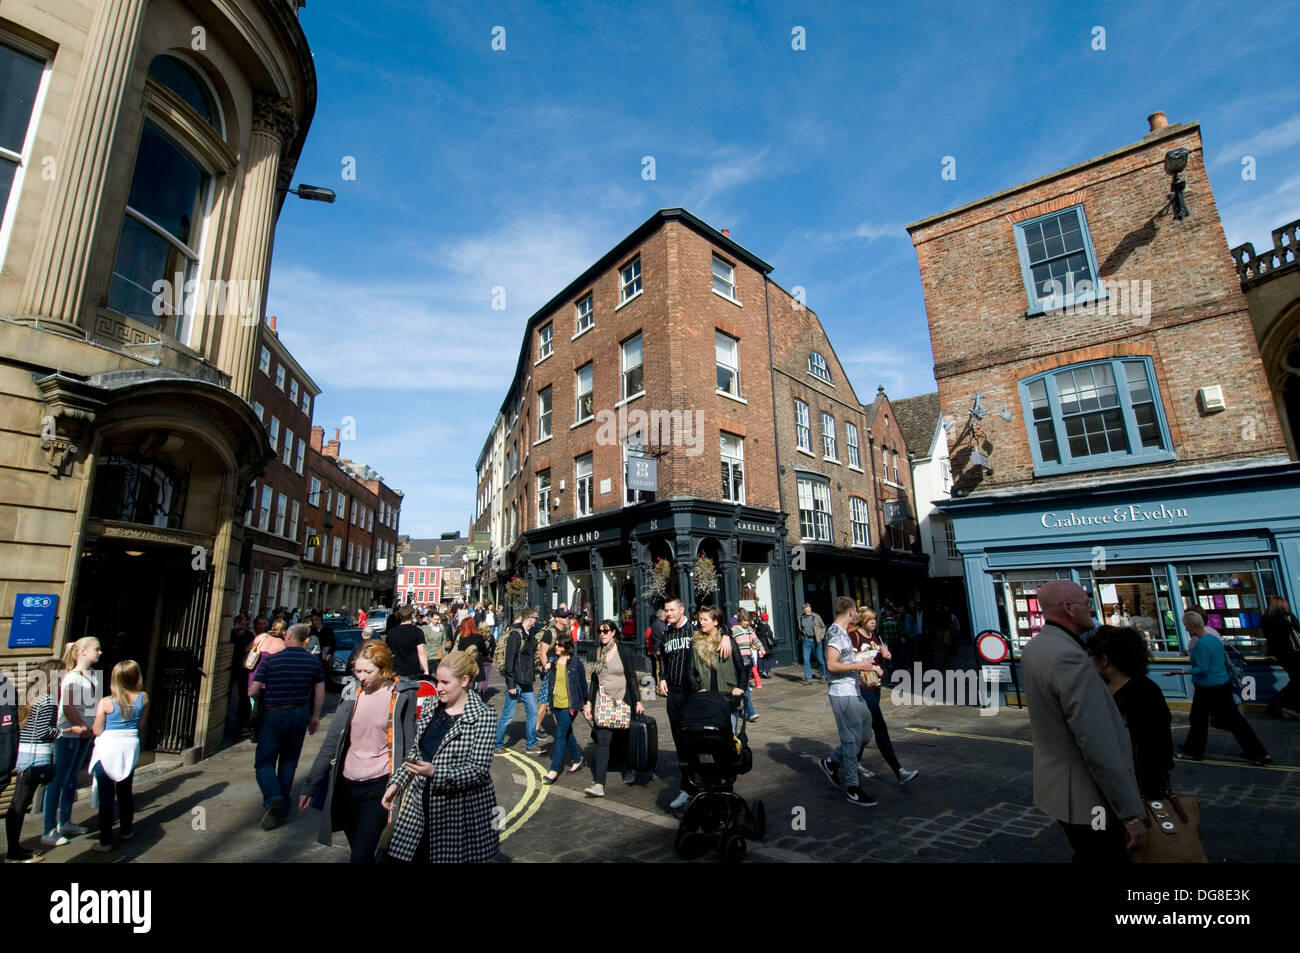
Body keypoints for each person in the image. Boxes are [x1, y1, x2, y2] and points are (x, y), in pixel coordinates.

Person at [1021, 580, 1145, 861]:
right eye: (1085, 602)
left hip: (1059, 792)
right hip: (1089, 799)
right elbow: (1096, 743)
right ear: (1068, 608)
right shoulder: (1069, 658)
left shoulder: (1036, 647)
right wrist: (1130, 813)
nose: (1091, 608)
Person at [297, 640, 419, 862]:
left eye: (367, 671)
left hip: (380, 787)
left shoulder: (402, 695)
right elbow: (332, 742)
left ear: (383, 668)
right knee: (359, 851)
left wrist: (403, 784)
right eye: (357, 670)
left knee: (360, 857)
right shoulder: (352, 693)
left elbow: (411, 744)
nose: (361, 676)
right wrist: (310, 785)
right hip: (347, 786)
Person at [381, 650, 499, 863]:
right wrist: (396, 784)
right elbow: (415, 752)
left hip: (457, 815)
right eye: (437, 681)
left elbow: (478, 771)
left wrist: (435, 772)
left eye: (445, 682)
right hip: (419, 809)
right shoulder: (430, 706)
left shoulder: (483, 716)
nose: (439, 688)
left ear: (464, 681)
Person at [656, 596, 730, 810]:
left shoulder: (694, 629)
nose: (668, 613)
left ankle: (704, 784)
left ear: (681, 610)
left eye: (671, 610)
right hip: (674, 693)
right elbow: (663, 658)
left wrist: (726, 635)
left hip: (693, 694)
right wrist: (661, 677)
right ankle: (686, 787)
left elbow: (715, 624)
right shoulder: (666, 633)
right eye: (666, 610)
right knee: (680, 742)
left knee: (697, 741)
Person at [250, 623, 325, 830]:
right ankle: (281, 808)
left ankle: (273, 797)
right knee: (289, 762)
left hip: (274, 712)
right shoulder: (313, 662)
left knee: (264, 762)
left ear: (290, 636)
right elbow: (319, 693)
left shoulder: (271, 661)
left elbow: (253, 691)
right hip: (300, 712)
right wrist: (315, 717)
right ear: (306, 640)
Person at [1087, 626, 1174, 799]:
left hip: (1140, 781)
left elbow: (1158, 745)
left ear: (1104, 660)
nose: (1089, 660)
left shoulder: (1145, 692)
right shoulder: (1098, 688)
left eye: (1092, 655)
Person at [1176, 626, 1271, 766]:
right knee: (1228, 720)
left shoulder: (1201, 642)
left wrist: (1182, 671)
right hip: (1221, 682)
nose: (1187, 630)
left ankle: (1194, 750)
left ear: (1194, 627)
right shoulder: (1214, 638)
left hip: (1207, 685)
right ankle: (1259, 752)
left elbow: (1203, 667)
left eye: (1188, 627)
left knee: (1199, 719)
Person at [847, 608, 919, 785]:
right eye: (870, 619)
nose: (873, 622)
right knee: (880, 727)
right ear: (862, 620)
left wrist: (886, 655)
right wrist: (871, 667)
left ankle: (851, 761)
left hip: (876, 687)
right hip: (862, 688)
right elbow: (849, 661)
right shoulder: (854, 637)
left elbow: (879, 656)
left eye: (874, 619)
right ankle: (899, 771)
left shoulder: (875, 637)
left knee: (865, 729)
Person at [818, 597, 878, 806]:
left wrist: (862, 661)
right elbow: (832, 665)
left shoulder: (843, 633)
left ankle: (832, 761)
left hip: (853, 691)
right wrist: (859, 667)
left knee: (865, 734)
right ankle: (853, 788)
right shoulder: (835, 633)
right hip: (842, 693)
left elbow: (844, 660)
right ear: (852, 612)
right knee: (851, 741)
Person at [42, 636, 101, 848]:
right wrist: (84, 728)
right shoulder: (72, 678)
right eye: (97, 649)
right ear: (83, 651)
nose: (100, 652)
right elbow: (67, 707)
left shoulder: (93, 676)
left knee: (70, 780)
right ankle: (49, 829)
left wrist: (92, 727)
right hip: (69, 735)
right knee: (58, 781)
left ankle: (65, 821)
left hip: (83, 735)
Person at [86, 660, 147, 852]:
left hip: (108, 748)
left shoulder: (106, 702)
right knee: (125, 792)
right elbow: (140, 724)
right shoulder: (144, 698)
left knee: (106, 797)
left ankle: (105, 841)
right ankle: (127, 830)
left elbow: (97, 730)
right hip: (129, 747)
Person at [5, 659, 63, 862]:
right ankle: (13, 853)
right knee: (20, 804)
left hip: (25, 753)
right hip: (36, 756)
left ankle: (14, 849)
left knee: (18, 804)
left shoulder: (33, 697)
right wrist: (61, 731)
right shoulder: (48, 700)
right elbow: (42, 731)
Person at [582, 619, 645, 797]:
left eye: (606, 631)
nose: (602, 634)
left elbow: (632, 677)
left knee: (623, 738)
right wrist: (589, 701)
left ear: (613, 633)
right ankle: (599, 784)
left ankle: (628, 769)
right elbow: (594, 680)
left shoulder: (624, 651)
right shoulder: (597, 652)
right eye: (600, 631)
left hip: (622, 700)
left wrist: (638, 701)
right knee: (602, 739)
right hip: (603, 702)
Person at [494, 606, 543, 755]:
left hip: (526, 681)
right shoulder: (516, 635)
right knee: (508, 715)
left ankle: (531, 744)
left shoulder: (529, 634)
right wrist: (511, 683)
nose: (536, 622)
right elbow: (510, 660)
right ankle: (497, 745)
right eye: (535, 619)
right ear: (529, 618)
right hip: (516, 681)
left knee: (533, 712)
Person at [541, 632, 588, 784]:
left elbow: (583, 683)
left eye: (559, 645)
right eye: (556, 644)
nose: (556, 647)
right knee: (567, 732)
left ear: (567, 647)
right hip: (556, 704)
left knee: (560, 734)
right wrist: (546, 668)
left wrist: (586, 703)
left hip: (570, 705)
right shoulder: (553, 661)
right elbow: (544, 678)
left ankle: (554, 770)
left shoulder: (575, 663)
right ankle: (576, 760)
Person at [693, 605, 746, 733]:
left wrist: (740, 687)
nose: (701, 622)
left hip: (727, 697)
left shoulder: (728, 641)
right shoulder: (696, 643)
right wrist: (697, 689)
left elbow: (742, 669)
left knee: (729, 738)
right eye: (700, 619)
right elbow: (692, 672)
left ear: (715, 622)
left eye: (705, 619)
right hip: (707, 698)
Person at [1262, 595, 1300, 718]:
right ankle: (1280, 703)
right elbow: (1297, 634)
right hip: (1293, 653)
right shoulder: (1288, 617)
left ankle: (1283, 705)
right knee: (1297, 678)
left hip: (1279, 654)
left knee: (1295, 677)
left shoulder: (1265, 618)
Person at [731, 608, 764, 721]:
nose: (747, 622)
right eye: (745, 620)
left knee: (743, 687)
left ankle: (747, 712)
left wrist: (761, 648)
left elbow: (756, 640)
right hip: (737, 662)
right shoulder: (734, 630)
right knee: (740, 687)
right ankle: (744, 711)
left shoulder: (749, 629)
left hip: (747, 661)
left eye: (748, 620)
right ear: (740, 619)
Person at [384, 605, 429, 679]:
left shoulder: (391, 632)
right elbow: (422, 652)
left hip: (396, 670)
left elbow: (387, 652)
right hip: (412, 670)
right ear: (412, 615)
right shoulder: (417, 632)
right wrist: (426, 671)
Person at [453, 616, 488, 692]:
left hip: (464, 662)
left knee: (466, 682)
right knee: (474, 682)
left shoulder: (461, 637)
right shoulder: (478, 637)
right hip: (475, 662)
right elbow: (484, 651)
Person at [799, 603, 826, 683]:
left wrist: (821, 636)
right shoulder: (800, 618)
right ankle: (808, 678)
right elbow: (799, 629)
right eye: (806, 609)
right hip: (806, 640)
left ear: (810, 608)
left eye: (809, 608)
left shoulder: (816, 617)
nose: (807, 610)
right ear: (803, 610)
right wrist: (801, 637)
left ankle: (823, 676)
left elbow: (823, 627)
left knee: (820, 659)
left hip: (816, 640)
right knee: (806, 659)